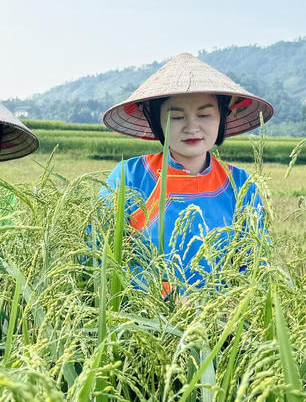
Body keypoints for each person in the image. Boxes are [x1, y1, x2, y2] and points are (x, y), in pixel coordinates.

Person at [100, 53, 273, 296]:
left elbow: (256, 261)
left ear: (223, 117)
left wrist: (227, 306)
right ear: (156, 120)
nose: (192, 127)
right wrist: (164, 296)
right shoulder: (129, 177)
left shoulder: (240, 185)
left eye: (204, 115)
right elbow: (101, 252)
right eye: (177, 116)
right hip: (143, 318)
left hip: (224, 323)